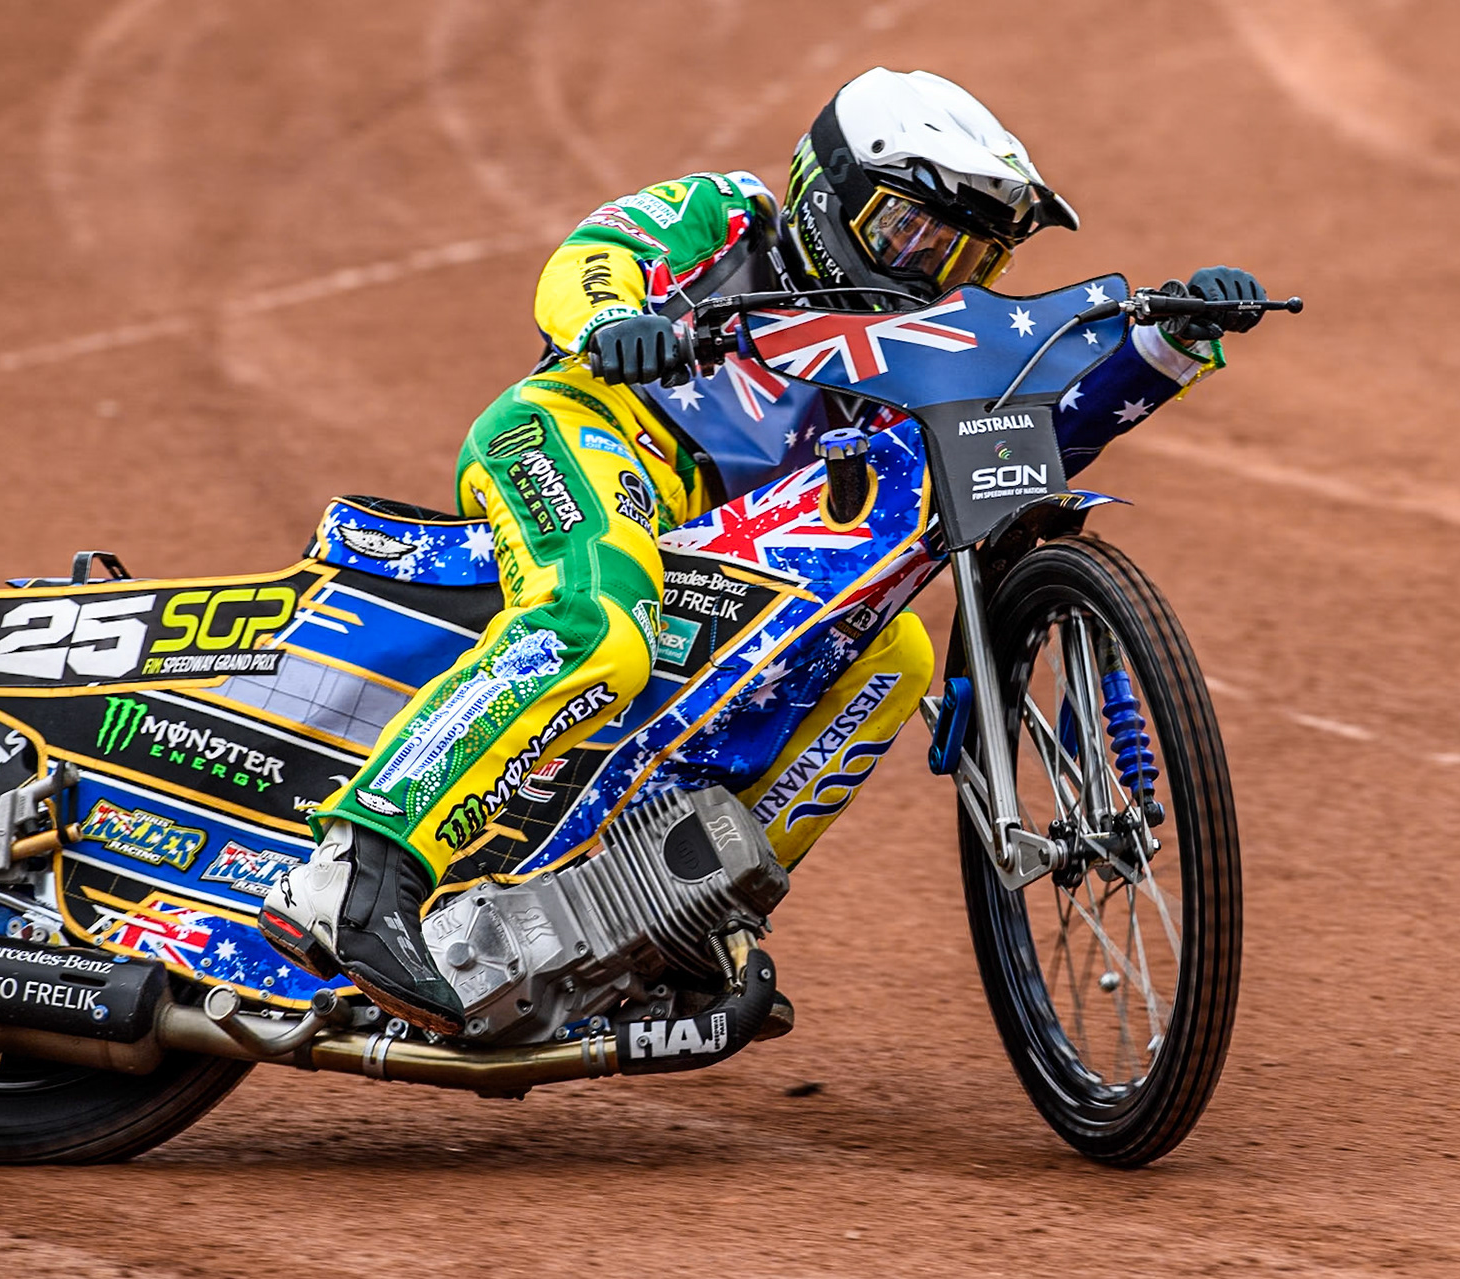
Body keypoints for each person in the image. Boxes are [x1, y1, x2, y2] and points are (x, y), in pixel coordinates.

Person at [261, 67, 1267, 1035]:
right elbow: (595, 254)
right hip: (579, 437)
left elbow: (1037, 431)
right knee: (597, 627)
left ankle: (678, 913)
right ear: (829, 196)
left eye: (963, 259)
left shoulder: (909, 362)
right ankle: (357, 873)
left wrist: (1167, 342)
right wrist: (616, 324)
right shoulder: (734, 218)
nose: (928, 270)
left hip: (718, 549)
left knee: (893, 654)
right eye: (907, 231)